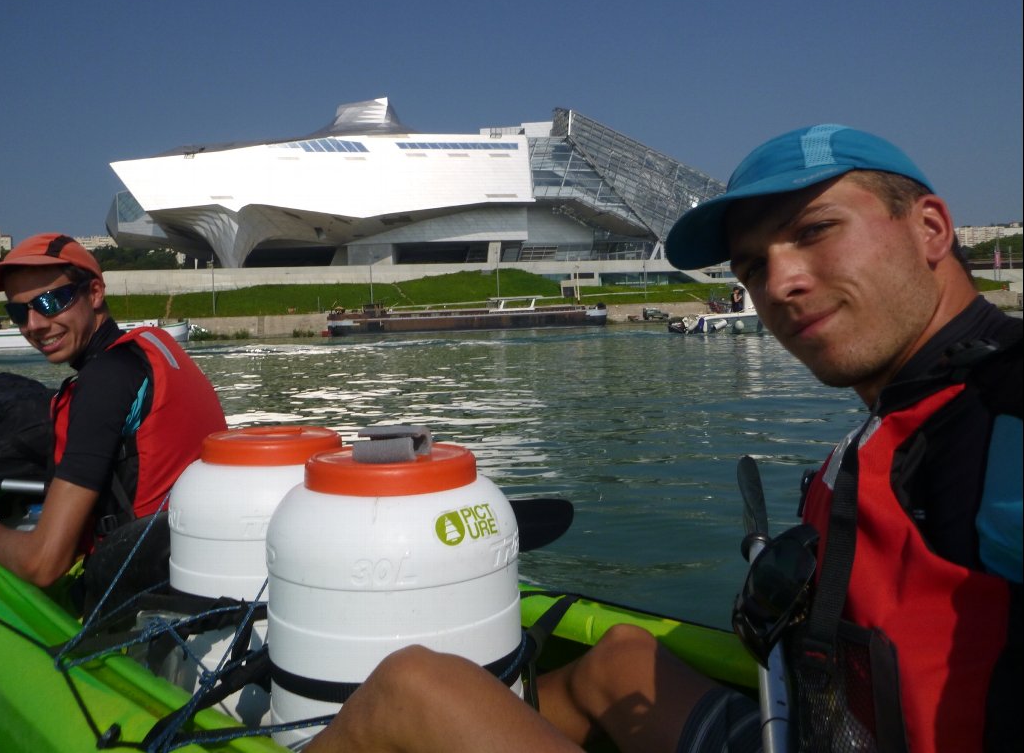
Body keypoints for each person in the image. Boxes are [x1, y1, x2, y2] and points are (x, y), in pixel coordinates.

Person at [301, 125, 1021, 753]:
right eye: (752, 266)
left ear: (931, 228)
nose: (782, 283)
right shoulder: (902, 408)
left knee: (412, 688)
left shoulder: (1002, 409)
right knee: (619, 659)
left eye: (814, 230)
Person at [0, 234, 227, 607]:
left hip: (139, 591)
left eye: (51, 302)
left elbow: (43, 564)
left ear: (95, 292)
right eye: (19, 312)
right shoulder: (153, 344)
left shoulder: (103, 383)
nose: (34, 325)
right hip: (196, 558)